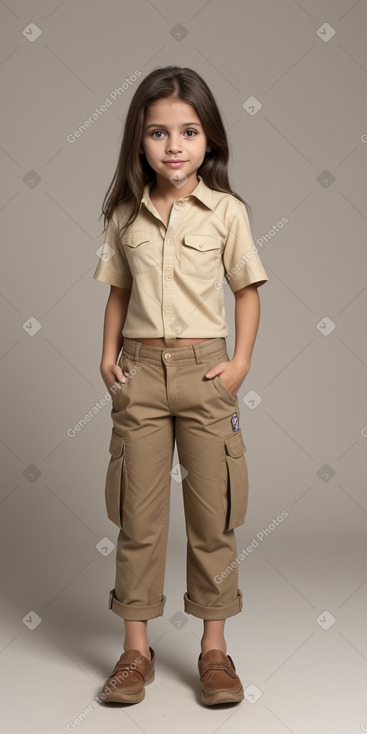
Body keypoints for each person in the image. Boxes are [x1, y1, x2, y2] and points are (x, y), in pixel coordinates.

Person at [93, 65, 268, 706]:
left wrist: (240, 363)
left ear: (209, 140)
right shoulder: (125, 215)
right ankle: (134, 652)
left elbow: (246, 292)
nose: (174, 146)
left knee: (212, 519)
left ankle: (214, 651)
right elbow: (118, 291)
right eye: (158, 133)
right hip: (139, 375)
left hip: (205, 374)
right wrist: (107, 356)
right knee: (137, 519)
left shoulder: (227, 213)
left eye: (189, 131)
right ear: (138, 142)